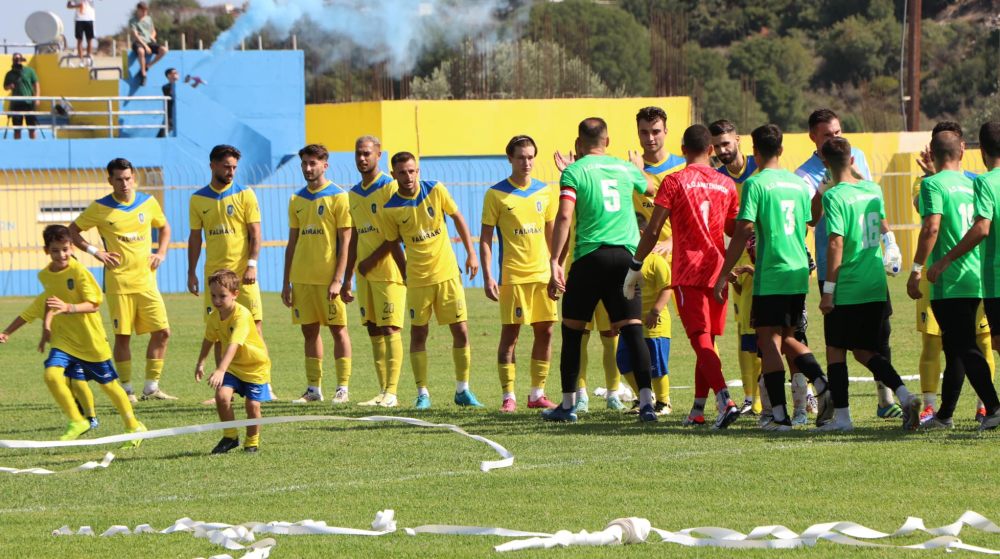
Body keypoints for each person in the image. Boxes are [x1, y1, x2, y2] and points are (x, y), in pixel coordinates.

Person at [714, 124, 832, 431]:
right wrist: (819, 192)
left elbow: (743, 230)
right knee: (789, 336)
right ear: (781, 149)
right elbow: (811, 219)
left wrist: (724, 272)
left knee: (768, 341)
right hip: (798, 271)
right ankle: (820, 384)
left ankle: (779, 416)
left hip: (772, 271)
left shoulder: (755, 184)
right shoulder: (795, 183)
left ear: (754, 151)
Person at [625, 124, 741, 429]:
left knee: (701, 340)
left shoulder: (674, 181)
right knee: (708, 341)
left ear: (683, 149)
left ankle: (725, 400)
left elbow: (653, 229)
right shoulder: (726, 184)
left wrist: (636, 263)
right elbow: (734, 230)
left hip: (689, 270)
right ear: (711, 150)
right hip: (718, 270)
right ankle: (698, 410)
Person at [545, 117, 659, 423]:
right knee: (633, 329)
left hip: (590, 258)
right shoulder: (625, 169)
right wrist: (637, 166)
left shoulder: (574, 170)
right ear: (607, 141)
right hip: (625, 257)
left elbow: (565, 217)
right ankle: (648, 403)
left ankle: (568, 404)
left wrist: (555, 260)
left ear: (580, 144)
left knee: (572, 331)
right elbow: (650, 187)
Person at [795, 109, 901, 419]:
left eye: (838, 132)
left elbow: (871, 203)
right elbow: (811, 220)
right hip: (835, 268)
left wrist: (889, 240)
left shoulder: (858, 157)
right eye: (828, 134)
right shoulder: (804, 174)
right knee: (838, 343)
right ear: (813, 137)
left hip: (867, 263)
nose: (835, 138)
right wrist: (821, 191)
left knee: (882, 334)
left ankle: (886, 398)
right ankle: (842, 409)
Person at [0, 225, 146, 445]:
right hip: (64, 343)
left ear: (71, 247)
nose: (62, 255)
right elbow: (41, 306)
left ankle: (133, 426)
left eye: (65, 249)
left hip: (91, 341)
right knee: (51, 375)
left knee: (109, 386)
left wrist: (68, 307)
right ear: (46, 250)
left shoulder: (79, 272)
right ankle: (78, 420)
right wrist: (9, 332)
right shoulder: (45, 276)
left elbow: (95, 304)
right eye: (56, 250)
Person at [817, 137, 921, 431]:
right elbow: (882, 224)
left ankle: (843, 418)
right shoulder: (873, 190)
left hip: (848, 285)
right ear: (852, 160)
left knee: (835, 349)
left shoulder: (833, 196)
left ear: (825, 163)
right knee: (865, 352)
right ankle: (904, 394)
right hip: (875, 284)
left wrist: (828, 292)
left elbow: (836, 242)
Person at [908, 130, 1000, 431]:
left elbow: (931, 228)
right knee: (955, 346)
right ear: (961, 153)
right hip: (976, 274)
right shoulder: (973, 182)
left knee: (963, 345)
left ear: (932, 154)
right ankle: (945, 414)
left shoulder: (932, 184)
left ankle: (993, 407)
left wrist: (918, 267)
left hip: (950, 279)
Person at [376, 152, 483, 410]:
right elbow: (393, 245)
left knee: (461, 330)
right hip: (419, 281)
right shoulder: (390, 209)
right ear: (394, 175)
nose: (408, 176)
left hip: (447, 275)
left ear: (418, 171)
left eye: (412, 171)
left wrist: (471, 254)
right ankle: (422, 392)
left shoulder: (435, 189)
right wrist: (405, 275)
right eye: (402, 172)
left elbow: (457, 218)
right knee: (419, 333)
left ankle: (463, 389)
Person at [70, 158, 174, 403]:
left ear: (134, 178)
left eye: (128, 178)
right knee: (123, 336)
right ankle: (127, 390)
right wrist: (96, 252)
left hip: (147, 282)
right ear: (110, 180)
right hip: (119, 283)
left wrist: (161, 253)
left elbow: (165, 227)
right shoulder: (100, 207)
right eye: (119, 179)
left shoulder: (148, 203)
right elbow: (72, 231)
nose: (124, 183)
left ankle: (151, 386)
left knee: (163, 332)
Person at [480, 135, 559, 412]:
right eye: (521, 157)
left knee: (546, 331)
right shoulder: (496, 194)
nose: (527, 162)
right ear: (510, 159)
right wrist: (488, 275)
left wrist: (556, 267)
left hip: (542, 275)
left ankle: (537, 393)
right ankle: (508, 396)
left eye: (530, 157)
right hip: (512, 276)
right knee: (510, 336)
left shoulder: (545, 192)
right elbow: (486, 239)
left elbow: (552, 235)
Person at [188, 145, 269, 402]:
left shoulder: (245, 194)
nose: (231, 171)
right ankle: (226, 388)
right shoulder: (198, 199)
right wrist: (191, 272)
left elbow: (255, 233)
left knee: (255, 328)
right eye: (226, 166)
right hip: (215, 277)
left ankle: (263, 386)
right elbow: (194, 237)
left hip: (244, 276)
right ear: (212, 165)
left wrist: (252, 264)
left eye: (234, 167)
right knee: (220, 332)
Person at [282, 144, 353, 404]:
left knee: (338, 330)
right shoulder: (296, 199)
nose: (308, 168)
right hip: (302, 278)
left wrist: (339, 279)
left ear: (325, 165)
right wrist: (286, 282)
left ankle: (342, 388)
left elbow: (346, 241)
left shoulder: (339, 197)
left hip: (327, 280)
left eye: (313, 163)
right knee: (309, 333)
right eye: (304, 164)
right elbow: (292, 243)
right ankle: (313, 389)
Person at [342, 136, 406, 408]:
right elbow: (355, 235)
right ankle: (382, 391)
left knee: (391, 327)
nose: (362, 158)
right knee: (373, 328)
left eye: (367, 153)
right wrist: (348, 276)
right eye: (358, 153)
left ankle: (392, 392)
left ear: (379, 155)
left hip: (388, 270)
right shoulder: (353, 193)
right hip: (364, 275)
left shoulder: (391, 187)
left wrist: (372, 261)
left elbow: (397, 234)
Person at [710, 119, 761, 416]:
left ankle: (799, 391)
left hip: (765, 261)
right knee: (744, 331)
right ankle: (750, 396)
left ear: (738, 140)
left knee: (768, 329)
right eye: (717, 146)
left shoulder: (760, 167)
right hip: (737, 263)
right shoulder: (717, 178)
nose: (723, 150)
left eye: (726, 144)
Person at [195, 269, 272, 453]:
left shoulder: (242, 315)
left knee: (252, 406)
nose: (216, 301)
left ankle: (252, 442)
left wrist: (220, 369)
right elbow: (209, 339)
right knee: (221, 397)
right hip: (233, 367)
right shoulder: (214, 317)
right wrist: (201, 362)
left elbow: (233, 345)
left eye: (222, 296)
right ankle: (230, 436)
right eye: (213, 295)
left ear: (235, 295)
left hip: (254, 366)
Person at [617, 212, 673, 414]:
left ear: (640, 233)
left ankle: (663, 403)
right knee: (623, 360)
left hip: (654, 323)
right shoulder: (624, 259)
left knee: (656, 366)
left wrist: (655, 311)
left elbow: (667, 287)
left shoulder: (656, 260)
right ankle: (645, 397)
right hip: (631, 322)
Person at [129, 2, 168, 86]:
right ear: (138, 10)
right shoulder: (133, 21)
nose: (144, 13)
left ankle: (148, 66)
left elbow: (153, 31)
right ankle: (143, 74)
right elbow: (135, 35)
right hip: (138, 42)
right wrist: (146, 46)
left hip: (149, 41)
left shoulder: (148, 19)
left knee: (164, 50)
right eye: (143, 11)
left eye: (146, 11)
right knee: (141, 51)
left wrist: (152, 36)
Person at [3, 53, 40, 140]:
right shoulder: (10, 74)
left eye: (18, 59)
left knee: (32, 128)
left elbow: (36, 85)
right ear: (12, 60)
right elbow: (5, 87)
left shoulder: (30, 71)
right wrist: (9, 86)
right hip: (16, 104)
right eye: (15, 59)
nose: (17, 61)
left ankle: (34, 146)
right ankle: (17, 147)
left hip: (29, 103)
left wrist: (37, 98)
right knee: (17, 129)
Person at [160, 67, 179, 137]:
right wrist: (174, 82)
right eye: (174, 73)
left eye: (177, 73)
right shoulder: (166, 87)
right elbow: (171, 93)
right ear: (169, 75)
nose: (177, 75)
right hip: (171, 114)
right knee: (164, 132)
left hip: (181, 114)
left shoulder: (182, 86)